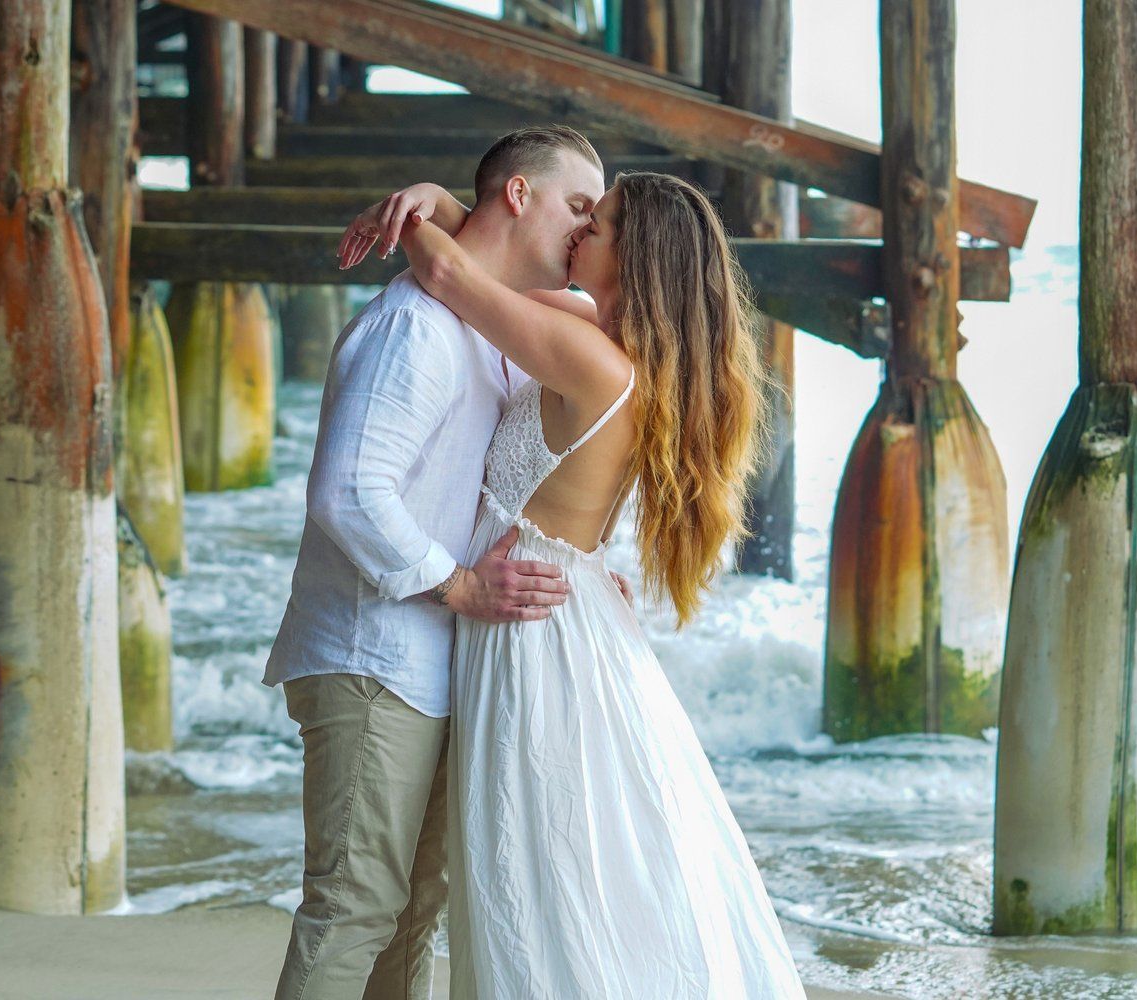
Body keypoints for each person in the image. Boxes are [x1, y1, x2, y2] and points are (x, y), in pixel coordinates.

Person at [338, 171, 808, 998]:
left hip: (528, 625)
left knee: (538, 869)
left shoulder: (589, 356)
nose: (582, 229)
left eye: (603, 221)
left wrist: (406, 212)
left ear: (636, 256)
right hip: (566, 598)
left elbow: (450, 278)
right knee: (565, 863)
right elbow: (490, 266)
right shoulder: (612, 343)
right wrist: (444, 204)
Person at [263, 126, 608, 1000]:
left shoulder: (486, 321)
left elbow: (610, 320)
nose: (587, 228)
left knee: (414, 910)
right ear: (521, 196)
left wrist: (444, 209)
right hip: (371, 658)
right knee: (353, 907)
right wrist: (458, 584)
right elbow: (346, 490)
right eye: (577, 206)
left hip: (429, 663)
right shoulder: (415, 327)